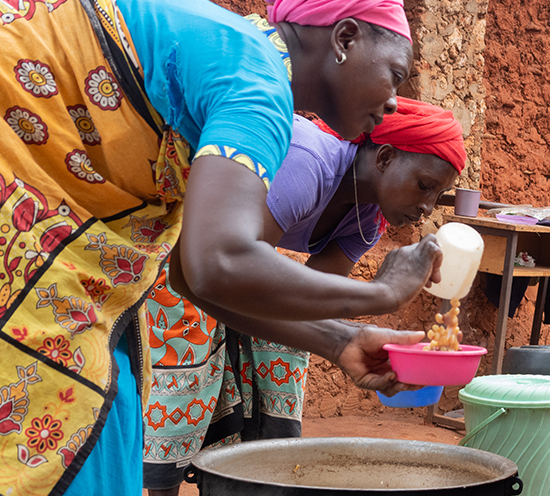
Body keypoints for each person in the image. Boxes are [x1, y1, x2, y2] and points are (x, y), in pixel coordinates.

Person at [0, 0, 446, 494]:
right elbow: (218, 262)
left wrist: (340, 341)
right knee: (70, 394)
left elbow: (191, 277)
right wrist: (382, 293)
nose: (395, 100)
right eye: (395, 75)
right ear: (346, 39)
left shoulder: (244, 62)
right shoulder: (258, 82)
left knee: (97, 399)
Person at [143, 97, 464, 494]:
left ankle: (254, 477)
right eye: (425, 186)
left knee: (287, 353)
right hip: (181, 253)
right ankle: (163, 487)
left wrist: (368, 344)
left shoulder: (368, 219)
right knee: (188, 354)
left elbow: (312, 304)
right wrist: (382, 294)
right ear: (384, 157)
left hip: (236, 264)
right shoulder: (308, 161)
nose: (428, 207)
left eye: (439, 196)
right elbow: (221, 268)